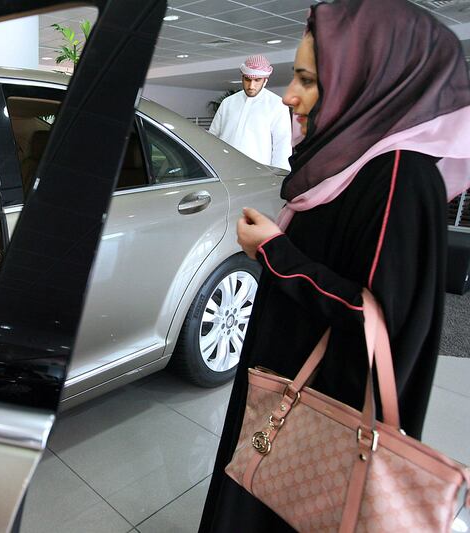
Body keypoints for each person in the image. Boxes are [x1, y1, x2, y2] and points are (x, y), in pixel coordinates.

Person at [199, 0, 470, 531]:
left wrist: (275, 252)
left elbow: (379, 319)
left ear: (373, 82)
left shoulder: (398, 177)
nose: (289, 95)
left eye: (307, 79)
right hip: (282, 386)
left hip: (322, 408)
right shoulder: (345, 165)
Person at [209, 54, 292, 170]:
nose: (251, 86)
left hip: (257, 172)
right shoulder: (228, 102)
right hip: (223, 168)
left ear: (265, 81)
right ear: (242, 78)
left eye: (257, 80)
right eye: (248, 79)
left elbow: (282, 145)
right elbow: (213, 137)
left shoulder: (277, 105)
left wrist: (280, 176)